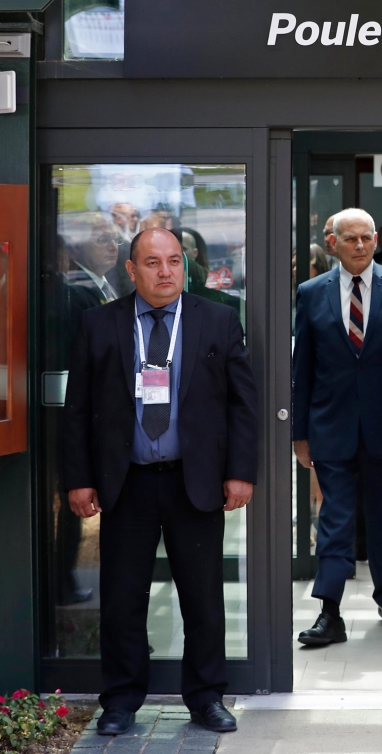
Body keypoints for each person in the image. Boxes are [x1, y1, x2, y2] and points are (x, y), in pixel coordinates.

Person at [61, 228, 258, 736]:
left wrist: (240, 473)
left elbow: (243, 405)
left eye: (174, 261)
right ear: (131, 270)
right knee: (123, 599)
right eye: (152, 262)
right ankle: (122, 701)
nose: (166, 271)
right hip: (125, 483)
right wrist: (79, 480)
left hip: (195, 483)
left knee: (202, 597)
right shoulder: (98, 324)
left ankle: (207, 696)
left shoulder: (216, 319)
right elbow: (78, 410)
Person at [293, 208, 382, 645]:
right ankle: (330, 612)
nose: (361, 246)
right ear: (333, 243)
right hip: (332, 427)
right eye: (351, 239)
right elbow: (303, 368)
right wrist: (300, 433)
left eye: (367, 237)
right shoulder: (312, 293)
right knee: (335, 519)